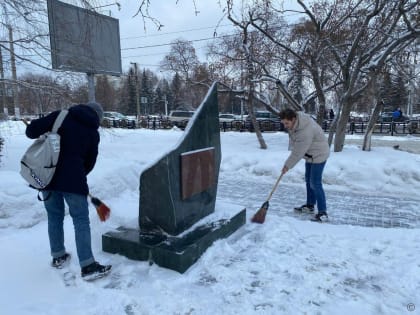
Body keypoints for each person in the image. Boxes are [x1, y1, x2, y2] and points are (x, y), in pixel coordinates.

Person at [25, 102, 111, 280]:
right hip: (74, 182)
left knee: (54, 216)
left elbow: (31, 131)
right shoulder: (93, 133)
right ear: (97, 117)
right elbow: (90, 162)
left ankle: (58, 256)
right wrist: (76, 175)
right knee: (80, 220)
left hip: (47, 178)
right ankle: (88, 266)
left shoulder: (60, 116)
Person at [279, 108, 330, 222]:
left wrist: (287, 166)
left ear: (293, 119)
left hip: (319, 154)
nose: (285, 126)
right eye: (283, 123)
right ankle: (310, 206)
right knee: (308, 180)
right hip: (310, 154)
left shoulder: (305, 131)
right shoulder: (297, 124)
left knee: (315, 183)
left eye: (287, 123)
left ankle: (323, 212)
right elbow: (295, 143)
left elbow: (298, 152)